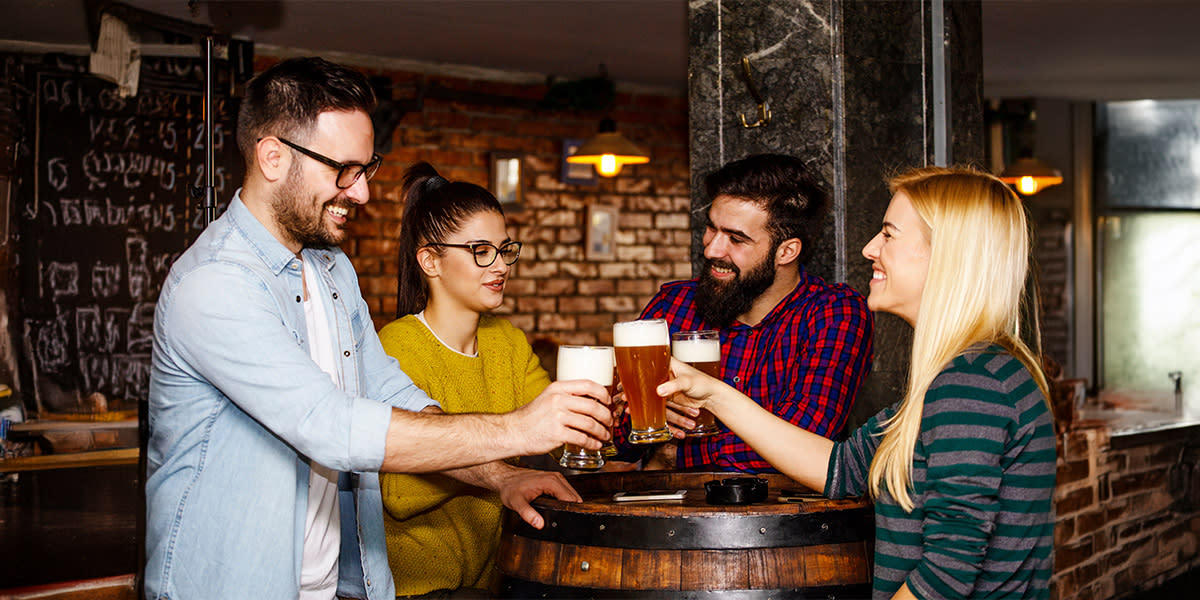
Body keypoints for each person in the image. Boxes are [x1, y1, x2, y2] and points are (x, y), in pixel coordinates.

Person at [145, 58, 611, 600]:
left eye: (367, 168)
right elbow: (331, 426)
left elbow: (393, 393)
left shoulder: (330, 269)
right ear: (272, 157)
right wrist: (520, 430)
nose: (362, 192)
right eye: (343, 169)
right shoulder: (215, 284)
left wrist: (501, 476)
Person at [661, 166, 1056, 599]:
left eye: (888, 234)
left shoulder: (971, 383)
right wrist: (714, 395)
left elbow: (947, 573)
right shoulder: (969, 373)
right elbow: (841, 469)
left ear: (946, 256)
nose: (870, 249)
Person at [618, 153, 873, 472]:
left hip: (777, 521)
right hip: (669, 517)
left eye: (736, 239)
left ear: (786, 252)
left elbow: (804, 446)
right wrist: (644, 418)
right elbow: (612, 439)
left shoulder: (833, 313)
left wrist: (671, 453)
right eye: (711, 228)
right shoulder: (674, 304)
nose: (711, 249)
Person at [376, 162, 552, 597]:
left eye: (505, 249)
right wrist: (510, 447)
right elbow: (398, 491)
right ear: (430, 260)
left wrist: (611, 412)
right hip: (416, 590)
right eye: (480, 250)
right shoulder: (398, 345)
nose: (499, 265)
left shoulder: (507, 342)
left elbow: (556, 434)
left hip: (491, 580)